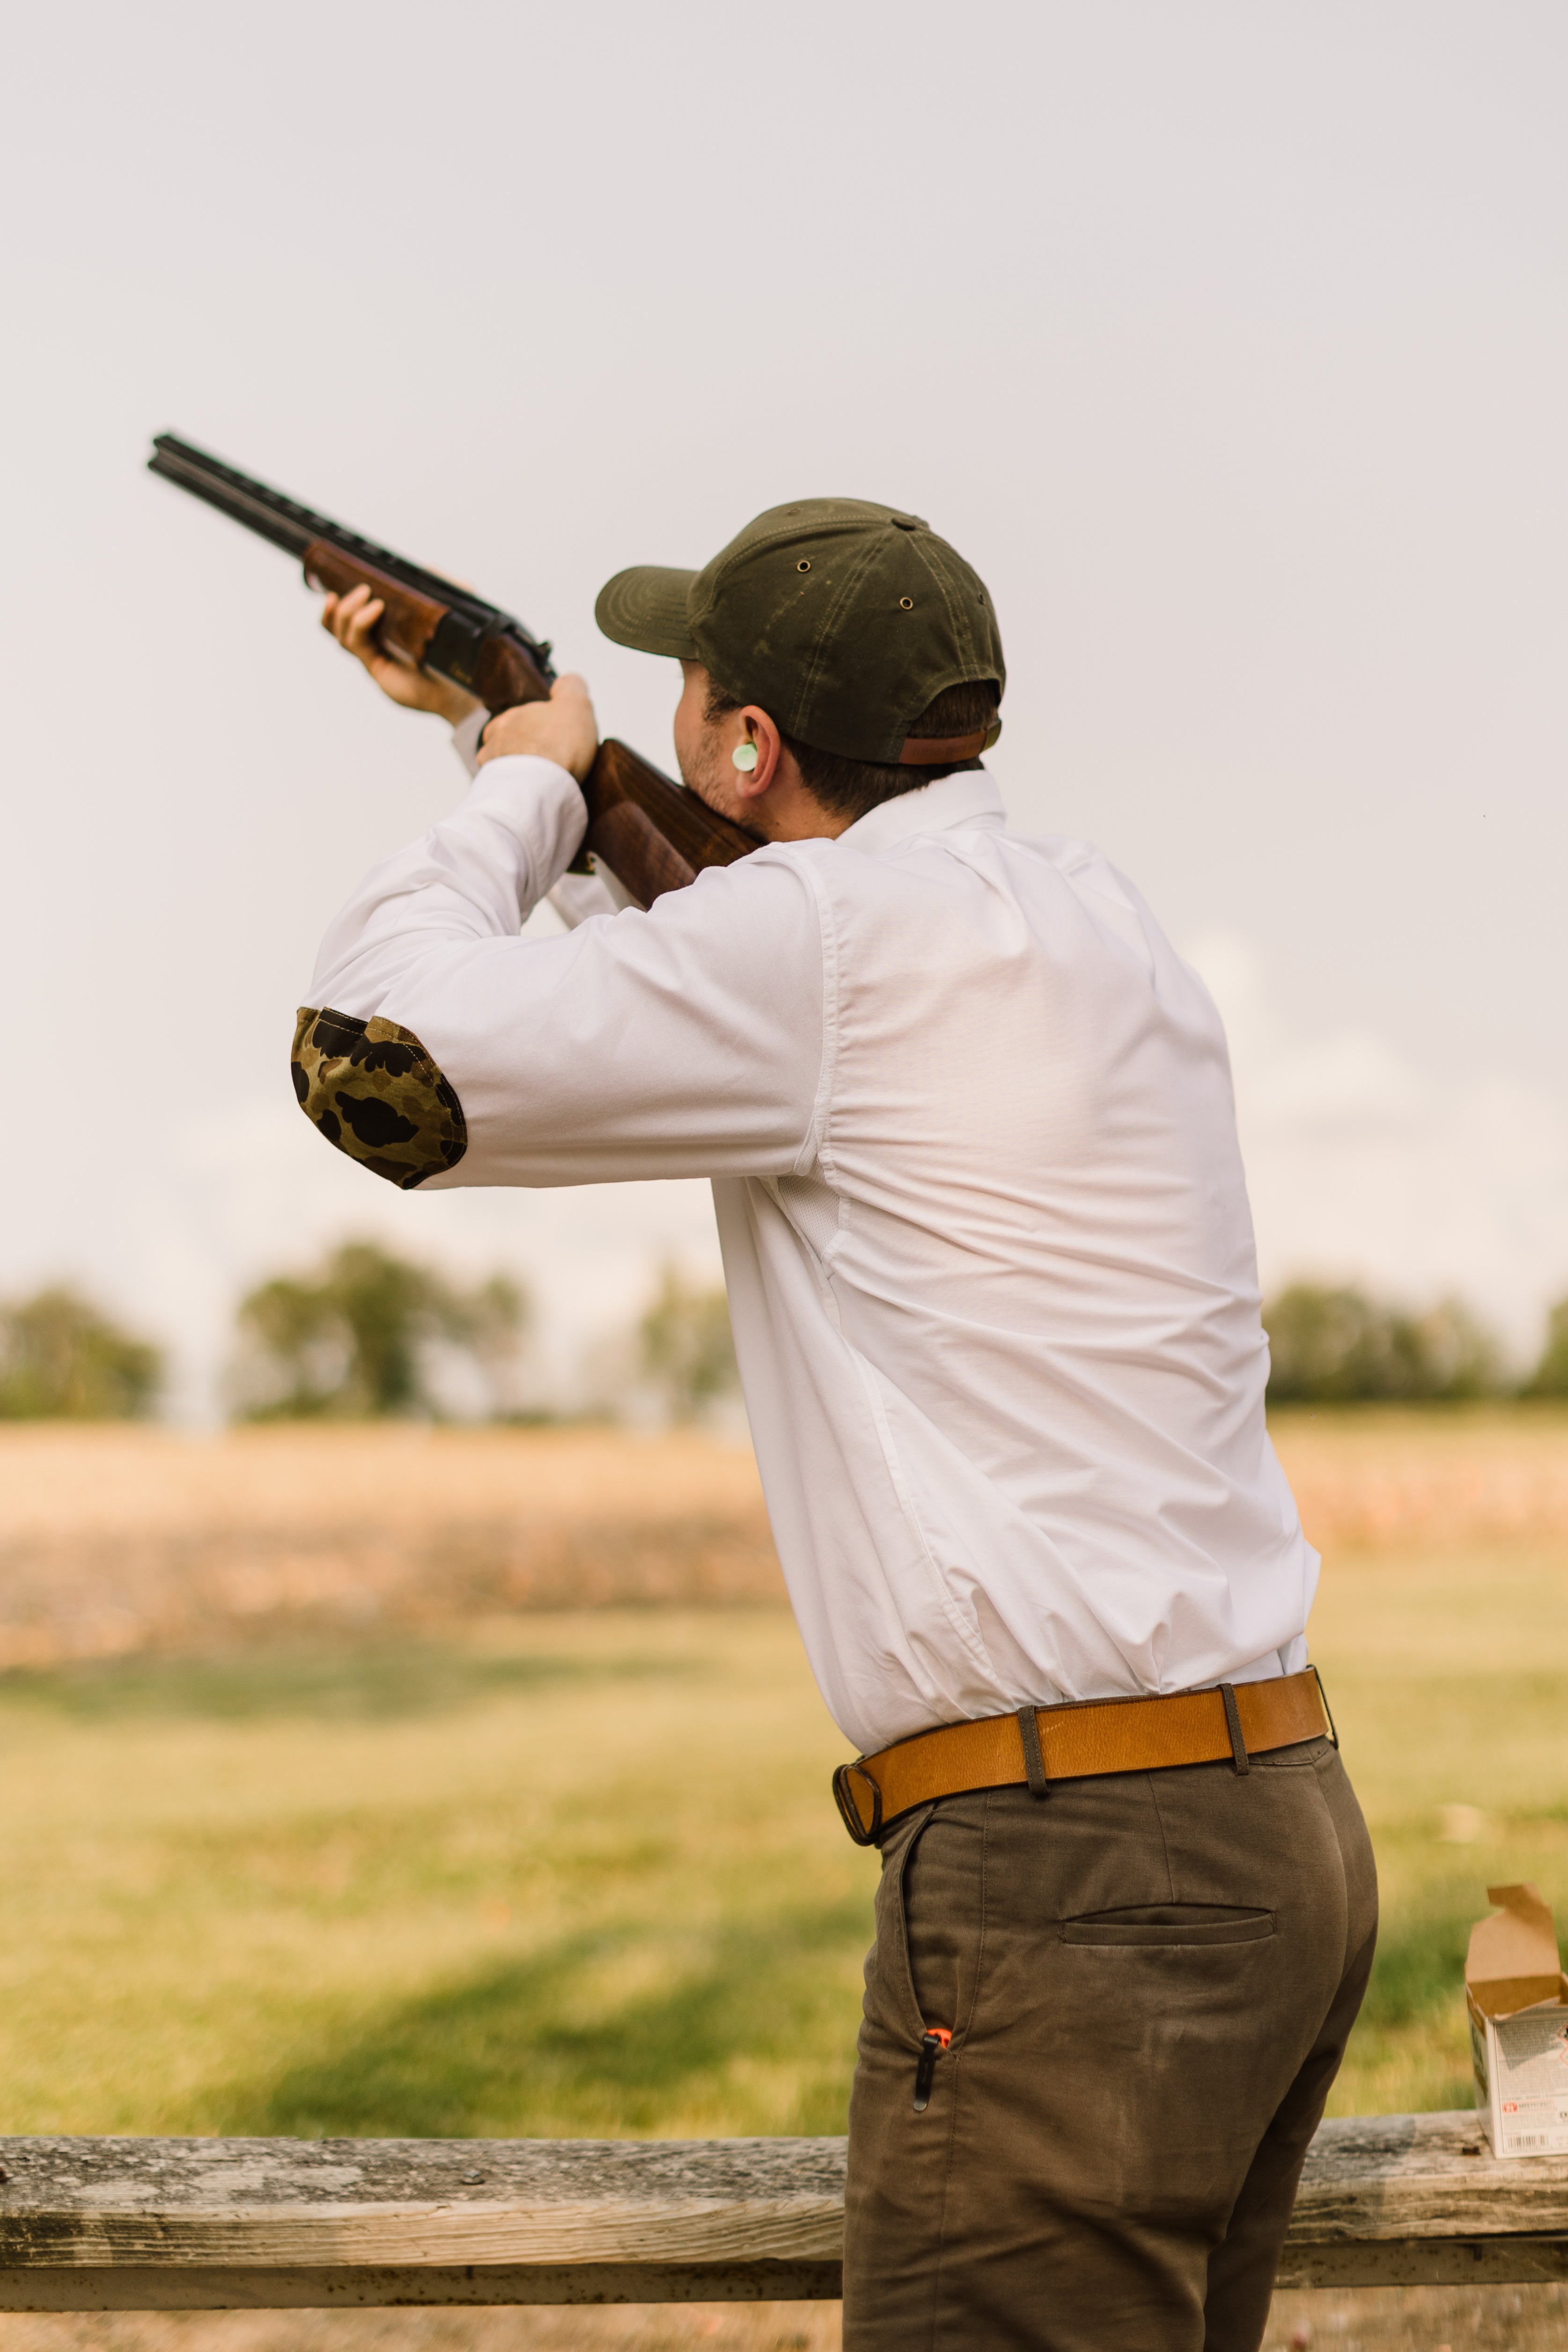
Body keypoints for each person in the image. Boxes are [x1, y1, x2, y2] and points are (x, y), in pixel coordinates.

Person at [299, 499, 1377, 2352]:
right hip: (1268, 1822)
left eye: (691, 690)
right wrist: (492, 730)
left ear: (746, 746)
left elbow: (372, 1052)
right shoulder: (1077, 905)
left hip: (1069, 1877)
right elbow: (743, 965)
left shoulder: (821, 938)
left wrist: (524, 784)